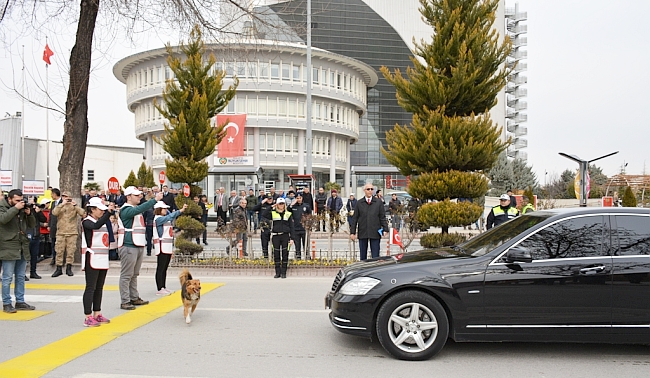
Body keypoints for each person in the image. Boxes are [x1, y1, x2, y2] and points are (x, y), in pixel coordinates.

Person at [118, 186, 163, 310]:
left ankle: (134, 297)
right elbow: (139, 209)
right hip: (128, 245)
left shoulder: (132, 208)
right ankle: (125, 300)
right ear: (128, 197)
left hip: (136, 244)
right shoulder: (126, 209)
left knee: (134, 274)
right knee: (127, 275)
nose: (139, 197)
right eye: (136, 195)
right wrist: (154, 200)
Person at [80, 197, 115, 327]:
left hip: (102, 257)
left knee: (99, 287)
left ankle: (97, 313)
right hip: (92, 258)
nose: (102, 212)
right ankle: (87, 316)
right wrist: (108, 214)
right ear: (92, 209)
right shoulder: (87, 222)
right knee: (91, 287)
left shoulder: (103, 221)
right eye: (100, 210)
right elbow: (96, 226)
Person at [1, 189, 36, 313]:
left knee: (20, 276)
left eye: (21, 200)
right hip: (8, 246)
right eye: (17, 200)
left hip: (22, 245)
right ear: (9, 199)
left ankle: (20, 301)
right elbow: (3, 219)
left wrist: (29, 213)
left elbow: (32, 225)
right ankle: (6, 302)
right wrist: (16, 208)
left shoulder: (21, 209)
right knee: (7, 277)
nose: (20, 202)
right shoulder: (2, 207)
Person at [153, 201, 187, 296]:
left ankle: (163, 287)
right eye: (164, 209)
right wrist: (180, 210)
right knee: (161, 268)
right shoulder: (158, 219)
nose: (166, 210)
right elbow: (170, 216)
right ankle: (160, 288)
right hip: (161, 247)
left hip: (166, 247)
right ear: (159, 209)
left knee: (164, 269)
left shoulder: (163, 218)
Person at [51, 191, 86, 277]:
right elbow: (54, 213)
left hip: (72, 232)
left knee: (70, 251)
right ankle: (58, 268)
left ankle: (69, 268)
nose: (65, 198)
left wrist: (75, 205)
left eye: (66, 197)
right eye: (63, 196)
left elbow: (83, 214)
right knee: (59, 251)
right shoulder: (60, 206)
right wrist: (62, 204)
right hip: (61, 232)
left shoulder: (74, 206)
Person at [350, 184, 388, 261]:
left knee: (375, 255)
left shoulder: (378, 202)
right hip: (363, 231)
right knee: (363, 256)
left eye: (371, 189)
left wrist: (385, 229)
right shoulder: (359, 203)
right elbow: (355, 218)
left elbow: (382, 217)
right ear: (364, 191)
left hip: (375, 231)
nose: (370, 191)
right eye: (368, 189)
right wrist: (352, 232)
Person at [270, 198, 294, 278]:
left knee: (285, 254)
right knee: (276, 254)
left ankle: (284, 272)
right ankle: (277, 272)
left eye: (282, 204)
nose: (281, 205)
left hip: (285, 236)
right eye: (279, 204)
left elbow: (292, 227)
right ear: (277, 204)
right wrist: (271, 206)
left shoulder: (288, 214)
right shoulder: (273, 213)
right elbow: (264, 214)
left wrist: (292, 238)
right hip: (276, 235)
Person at [27, 199, 47, 279]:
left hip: (36, 235)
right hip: (27, 236)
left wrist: (38, 211)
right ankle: (23, 273)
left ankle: (33, 272)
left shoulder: (36, 212)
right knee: (25, 256)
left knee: (34, 256)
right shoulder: (26, 211)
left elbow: (44, 220)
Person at [290, 194, 312, 259]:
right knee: (297, 245)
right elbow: (287, 211)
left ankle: (307, 257)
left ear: (302, 198)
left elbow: (310, 217)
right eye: (297, 198)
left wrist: (310, 228)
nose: (299, 199)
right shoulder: (293, 207)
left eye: (300, 198)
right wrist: (292, 204)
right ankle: (298, 257)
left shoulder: (306, 206)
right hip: (296, 229)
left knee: (306, 244)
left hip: (304, 229)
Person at [252, 194, 274, 258]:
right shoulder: (262, 205)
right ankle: (265, 256)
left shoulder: (274, 205)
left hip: (273, 226)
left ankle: (273, 255)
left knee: (274, 243)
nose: (270, 200)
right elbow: (254, 208)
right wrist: (261, 202)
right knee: (264, 243)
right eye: (268, 199)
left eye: (271, 198)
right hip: (264, 227)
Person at [48, 188, 62, 265]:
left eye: (52, 194)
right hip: (53, 226)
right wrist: (49, 224)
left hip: (61, 226)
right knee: (53, 243)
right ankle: (54, 258)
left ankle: (60, 259)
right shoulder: (53, 203)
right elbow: (51, 214)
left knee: (60, 244)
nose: (51, 195)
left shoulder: (62, 202)